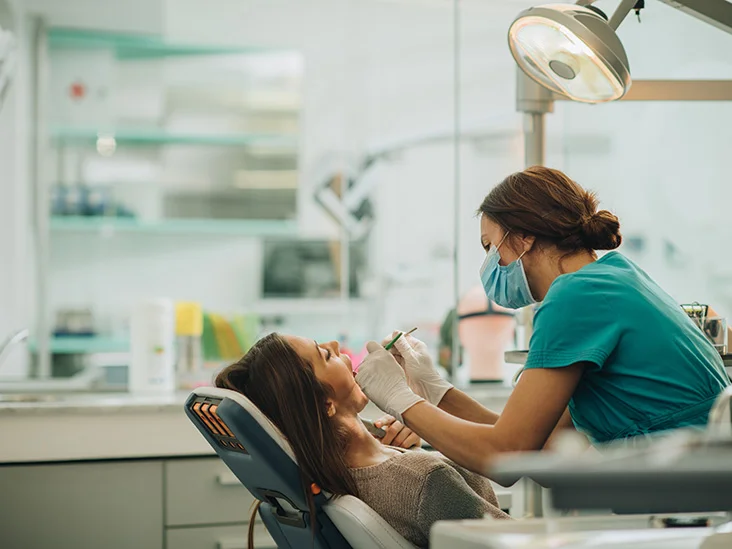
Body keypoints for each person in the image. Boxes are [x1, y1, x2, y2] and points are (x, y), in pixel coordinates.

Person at [355, 166, 731, 476]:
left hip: (696, 495)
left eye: (490, 247)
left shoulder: (576, 296)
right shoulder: (613, 277)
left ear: (524, 237)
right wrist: (436, 391)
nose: (489, 265)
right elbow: (542, 447)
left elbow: (507, 454)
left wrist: (400, 400)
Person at [215, 333, 510, 548]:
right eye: (325, 355)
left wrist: (413, 443)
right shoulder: (424, 479)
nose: (333, 344)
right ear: (324, 403)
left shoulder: (338, 474)